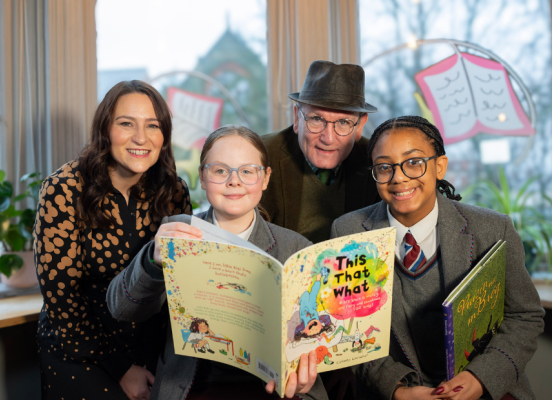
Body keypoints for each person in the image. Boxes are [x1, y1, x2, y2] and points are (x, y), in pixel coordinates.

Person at [106, 125, 328, 400]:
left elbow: (312, 339)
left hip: (273, 389)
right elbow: (121, 308)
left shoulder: (295, 248)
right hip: (192, 386)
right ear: (202, 176)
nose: (234, 181)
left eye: (247, 171)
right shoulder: (177, 231)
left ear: (266, 178)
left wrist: (303, 375)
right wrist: (152, 261)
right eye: (220, 171)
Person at [331, 116, 545, 400]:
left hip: (482, 387)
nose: (399, 177)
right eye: (384, 167)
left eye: (414, 162)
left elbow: (525, 315)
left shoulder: (493, 228)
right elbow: (349, 330)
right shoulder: (348, 232)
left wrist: (481, 377)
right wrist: (396, 389)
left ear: (440, 166)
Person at [35, 80, 192, 400]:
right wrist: (121, 368)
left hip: (151, 348)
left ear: (164, 136)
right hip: (80, 349)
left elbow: (182, 285)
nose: (141, 137)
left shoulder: (174, 190)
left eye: (153, 126)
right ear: (104, 129)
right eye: (126, 124)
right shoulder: (63, 189)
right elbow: (63, 302)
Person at [261, 60, 382, 244]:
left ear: (360, 126)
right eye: (316, 119)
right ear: (296, 118)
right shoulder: (261, 155)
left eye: (343, 123)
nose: (328, 138)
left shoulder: (378, 161)